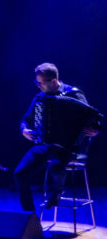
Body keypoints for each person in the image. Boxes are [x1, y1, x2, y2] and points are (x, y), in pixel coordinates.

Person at [15, 63, 100, 211]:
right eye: (37, 82)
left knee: (56, 165)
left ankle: (58, 191)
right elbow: (25, 120)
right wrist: (24, 130)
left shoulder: (74, 94)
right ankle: (30, 217)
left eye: (41, 83)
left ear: (54, 81)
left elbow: (93, 116)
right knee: (20, 173)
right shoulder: (40, 98)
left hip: (71, 147)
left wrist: (95, 129)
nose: (38, 86)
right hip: (45, 145)